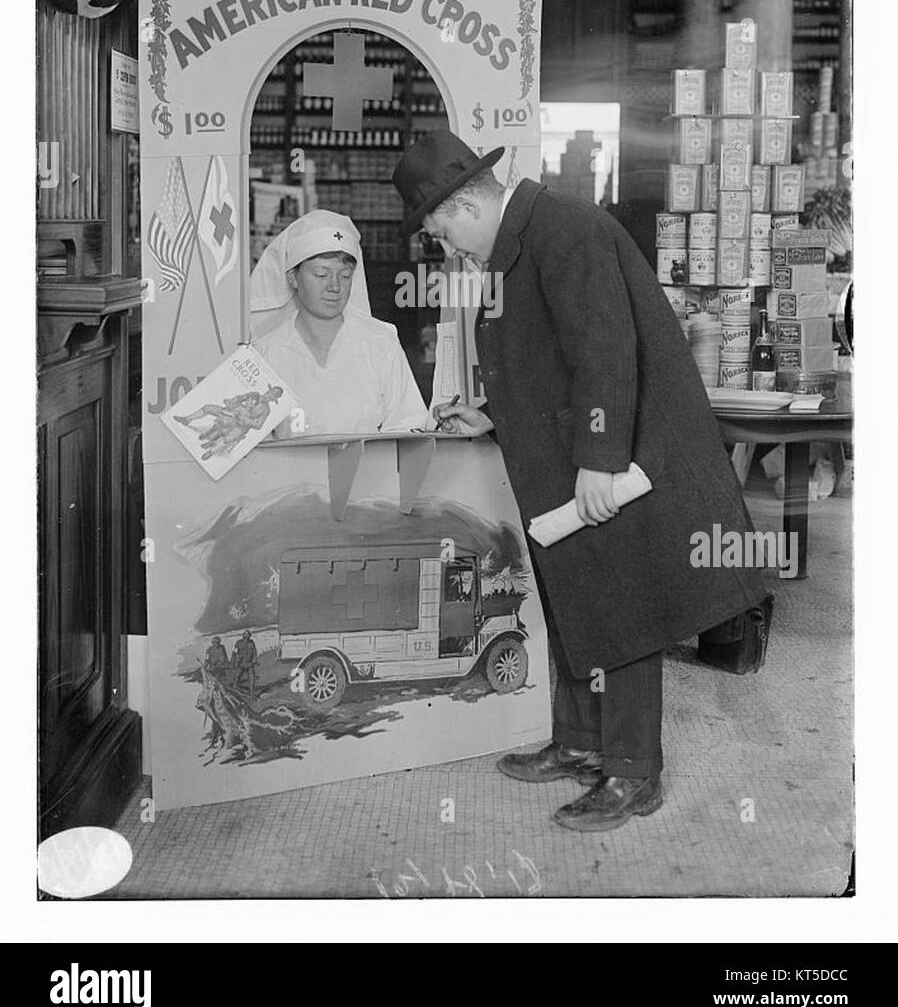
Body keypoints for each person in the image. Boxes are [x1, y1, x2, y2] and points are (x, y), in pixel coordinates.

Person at [392, 130, 769, 833]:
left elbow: (604, 350)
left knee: (622, 608)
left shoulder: (564, 230)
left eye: (441, 226)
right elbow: (548, 360)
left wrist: (600, 457)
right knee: (576, 599)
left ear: (466, 199)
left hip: (608, 460)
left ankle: (632, 773)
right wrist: (492, 415)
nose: (445, 244)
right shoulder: (523, 238)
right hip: (570, 456)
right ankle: (580, 741)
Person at [250, 210, 427, 436]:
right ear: (293, 277)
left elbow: (408, 426)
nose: (334, 286)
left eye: (344, 276)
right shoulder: (266, 353)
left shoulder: (380, 344)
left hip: (368, 470)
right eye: (321, 275)